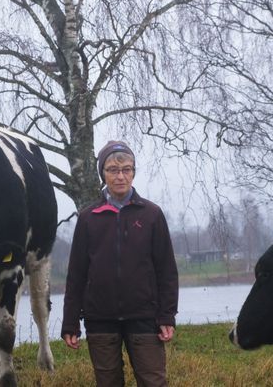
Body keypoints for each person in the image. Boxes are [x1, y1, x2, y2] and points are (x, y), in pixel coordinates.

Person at [62, 141, 179, 386]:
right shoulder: (88, 218)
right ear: (103, 174)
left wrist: (167, 316)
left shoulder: (152, 214)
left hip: (145, 317)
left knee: (153, 382)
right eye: (113, 170)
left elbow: (167, 271)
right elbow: (76, 275)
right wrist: (70, 322)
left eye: (126, 169)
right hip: (100, 318)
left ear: (133, 172)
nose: (120, 176)